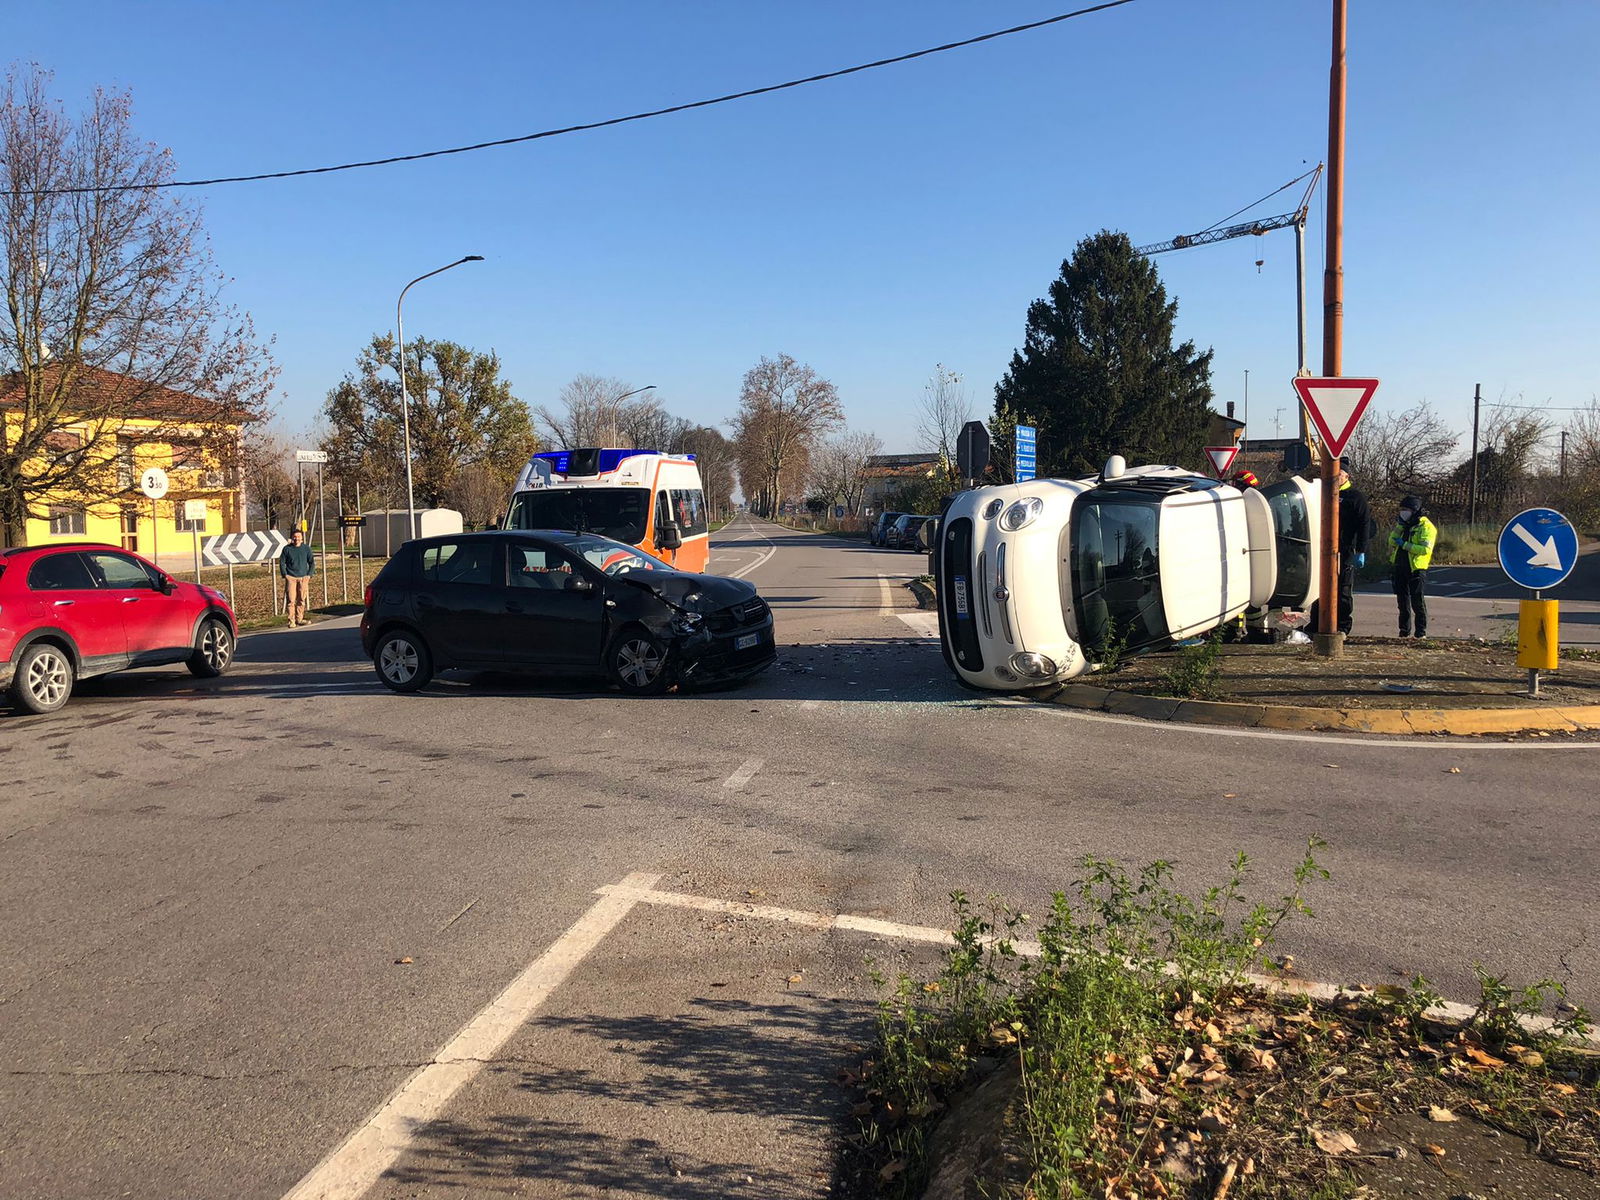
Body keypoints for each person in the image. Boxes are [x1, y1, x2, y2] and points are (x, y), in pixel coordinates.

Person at [1307, 461, 1372, 636]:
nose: (1336, 478)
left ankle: (1343, 626)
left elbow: (1364, 524)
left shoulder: (1355, 497)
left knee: (1343, 589)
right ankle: (1316, 624)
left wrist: (1361, 550)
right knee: (1319, 588)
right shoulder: (1323, 493)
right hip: (1322, 548)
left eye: (1340, 474)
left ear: (1346, 476)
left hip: (1345, 550)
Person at [1388, 494, 1436, 638]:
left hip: (1416, 568)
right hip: (1400, 566)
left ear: (1414, 510)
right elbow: (1391, 540)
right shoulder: (1403, 524)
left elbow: (1424, 549)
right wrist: (1400, 528)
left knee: (1417, 601)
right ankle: (1404, 631)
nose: (1403, 512)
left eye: (1406, 509)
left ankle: (1420, 632)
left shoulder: (1426, 527)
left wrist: (1405, 545)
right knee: (1402, 602)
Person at [280, 528, 315, 627]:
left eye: (298, 537)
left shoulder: (306, 549)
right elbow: (282, 562)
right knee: (291, 600)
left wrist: (309, 575)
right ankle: (291, 621)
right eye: (295, 537)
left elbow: (312, 562)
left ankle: (299, 618)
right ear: (292, 538)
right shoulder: (287, 549)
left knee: (301, 599)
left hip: (303, 577)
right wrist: (285, 574)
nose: (297, 539)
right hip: (291, 577)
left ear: (302, 538)